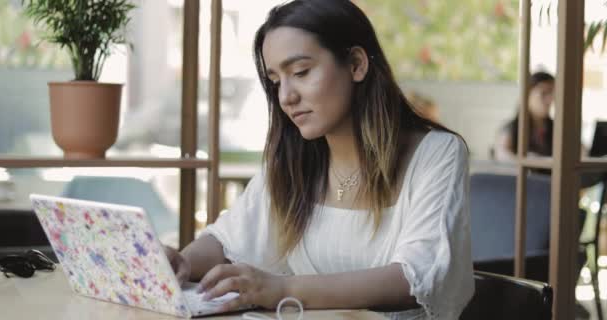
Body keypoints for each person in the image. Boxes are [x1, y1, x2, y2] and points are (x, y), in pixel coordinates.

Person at [165, 1, 474, 319]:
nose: (286, 96)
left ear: (356, 64)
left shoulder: (437, 154)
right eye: (275, 80)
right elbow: (229, 239)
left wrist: (284, 290)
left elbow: (414, 278)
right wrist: (181, 262)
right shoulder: (291, 162)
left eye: (300, 72)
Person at [493, 71, 555, 162]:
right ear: (527, 95)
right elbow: (501, 155)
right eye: (544, 93)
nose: (550, 100)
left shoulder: (556, 128)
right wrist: (528, 161)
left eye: (553, 94)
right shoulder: (512, 127)